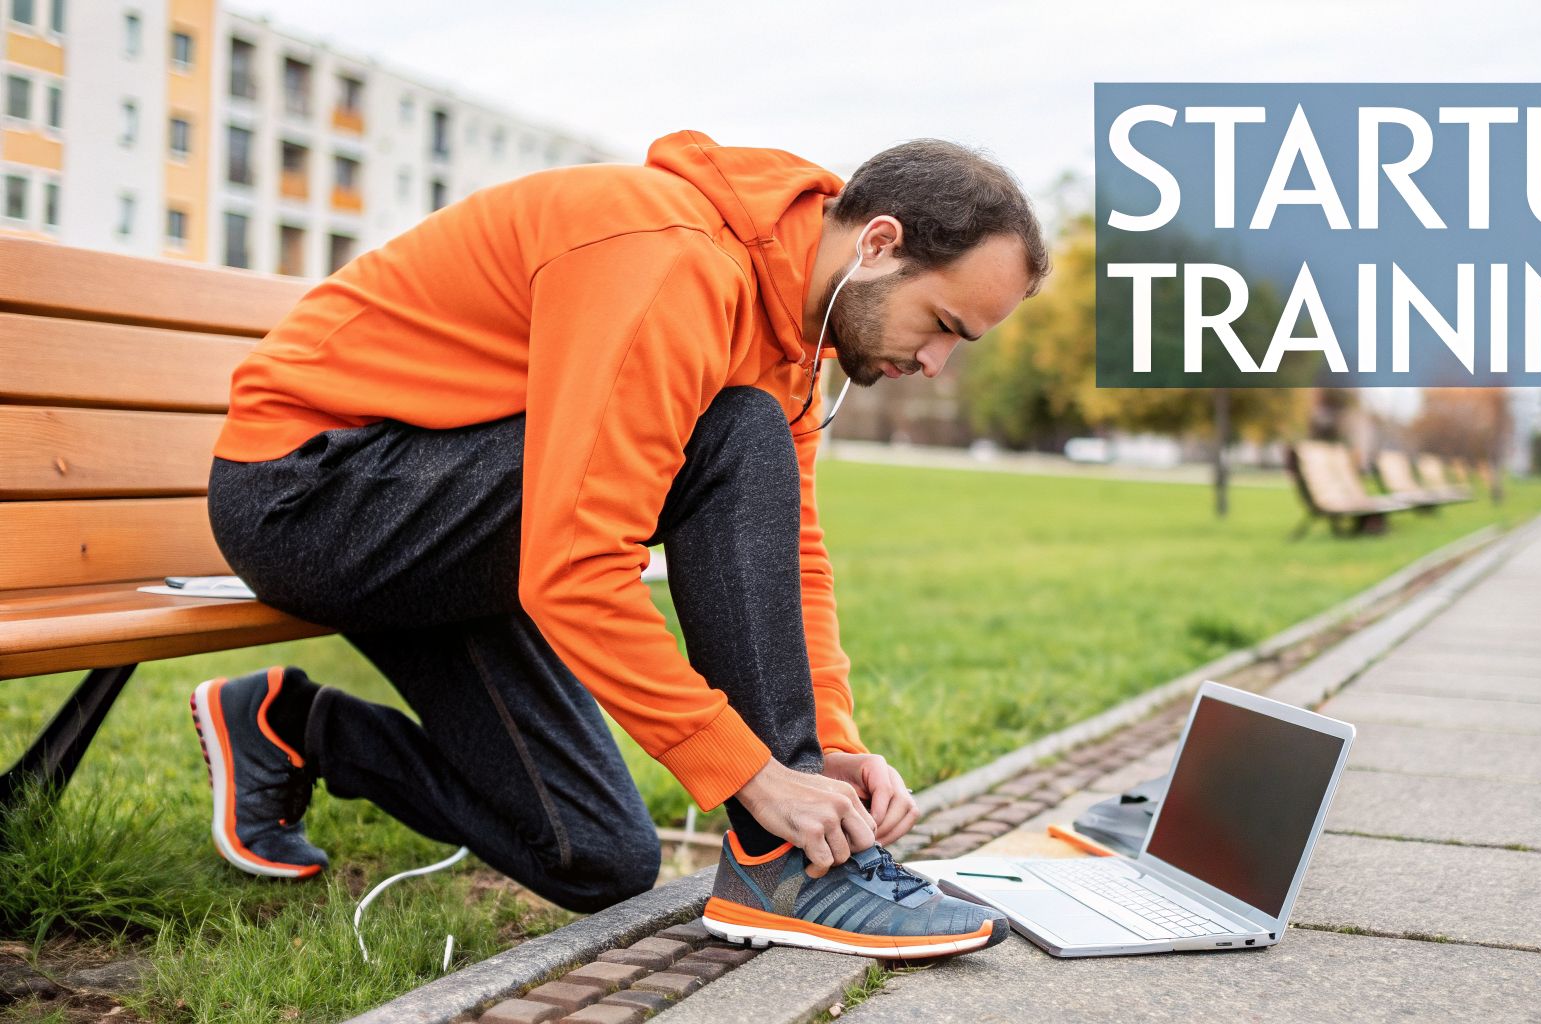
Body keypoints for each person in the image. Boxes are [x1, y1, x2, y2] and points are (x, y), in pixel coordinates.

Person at [191, 129, 1050, 959]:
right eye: (943, 324)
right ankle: (783, 867)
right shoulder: (669, 255)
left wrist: (832, 746)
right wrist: (757, 777)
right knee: (738, 428)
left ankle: (289, 724)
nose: (937, 363)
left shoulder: (796, 335)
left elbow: (789, 556)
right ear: (879, 243)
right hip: (312, 493)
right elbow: (573, 565)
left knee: (598, 855)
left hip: (448, 529)